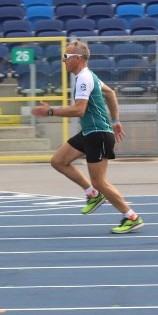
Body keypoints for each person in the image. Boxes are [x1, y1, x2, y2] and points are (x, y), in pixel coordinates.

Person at [31, 40, 143, 234]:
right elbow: (111, 93)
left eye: (66, 57)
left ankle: (131, 216)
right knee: (58, 161)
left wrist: (50, 112)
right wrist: (115, 120)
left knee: (100, 182)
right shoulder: (89, 77)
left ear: (78, 58)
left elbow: (79, 110)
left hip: (97, 134)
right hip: (90, 132)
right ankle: (92, 194)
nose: (63, 60)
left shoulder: (84, 78)